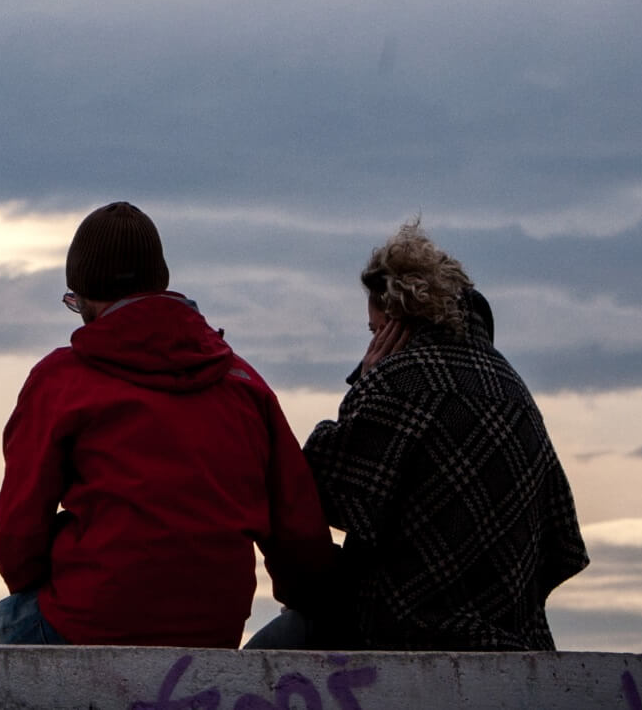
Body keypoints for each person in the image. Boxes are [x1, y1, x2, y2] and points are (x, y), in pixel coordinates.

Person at [0, 202, 336, 647]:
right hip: (214, 629)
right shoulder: (245, 384)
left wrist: (59, 570)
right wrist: (304, 597)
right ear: (161, 281)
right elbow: (300, 534)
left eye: (75, 302)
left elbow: (17, 539)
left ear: (87, 297)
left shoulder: (62, 380)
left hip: (87, 620)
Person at [247, 221, 588, 651]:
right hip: (512, 633)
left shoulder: (399, 382)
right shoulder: (511, 386)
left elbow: (321, 492)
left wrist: (365, 384)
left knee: (257, 663)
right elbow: (558, 540)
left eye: (374, 331)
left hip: (401, 627)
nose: (370, 346)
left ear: (395, 323)